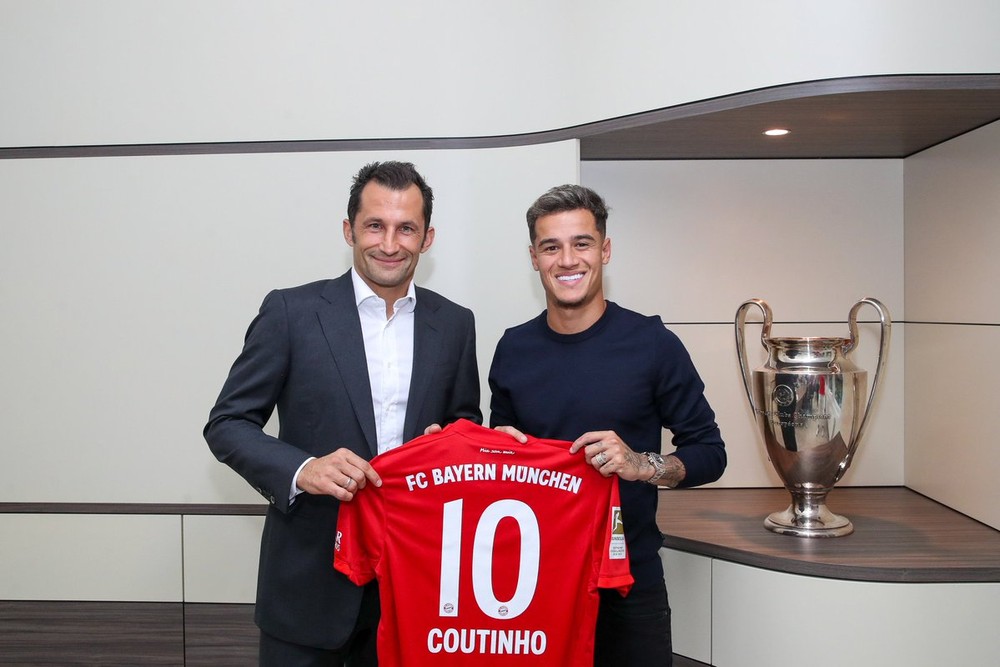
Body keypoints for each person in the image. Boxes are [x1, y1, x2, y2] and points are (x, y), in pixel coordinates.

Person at [205, 161, 481, 666]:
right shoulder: (290, 312)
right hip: (307, 590)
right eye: (375, 225)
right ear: (349, 229)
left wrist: (451, 442)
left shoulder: (456, 324)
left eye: (406, 228)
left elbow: (465, 427)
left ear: (428, 238)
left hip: (416, 591)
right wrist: (303, 469)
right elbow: (227, 424)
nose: (390, 244)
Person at [488, 184, 726, 667]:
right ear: (534, 258)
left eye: (582, 243)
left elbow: (710, 453)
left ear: (605, 250)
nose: (567, 260)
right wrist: (494, 451)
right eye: (551, 247)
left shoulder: (652, 344)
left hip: (629, 582)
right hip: (536, 580)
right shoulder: (513, 349)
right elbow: (502, 462)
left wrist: (644, 464)